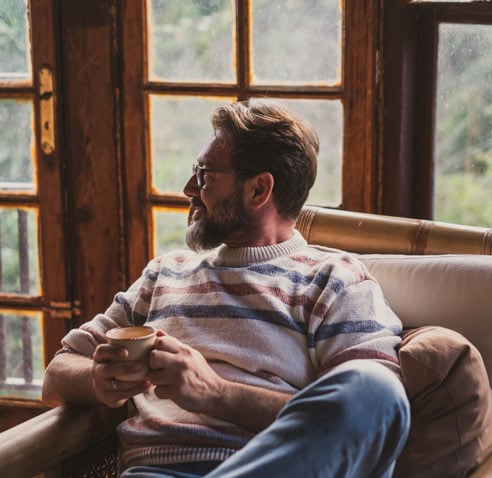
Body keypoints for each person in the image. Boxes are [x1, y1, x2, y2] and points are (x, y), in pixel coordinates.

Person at [42, 100, 410, 477]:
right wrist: (101, 380)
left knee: (377, 389)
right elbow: (57, 372)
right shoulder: (165, 274)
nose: (189, 188)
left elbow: (370, 419)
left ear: (257, 190)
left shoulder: (334, 279)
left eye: (205, 176)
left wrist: (214, 393)